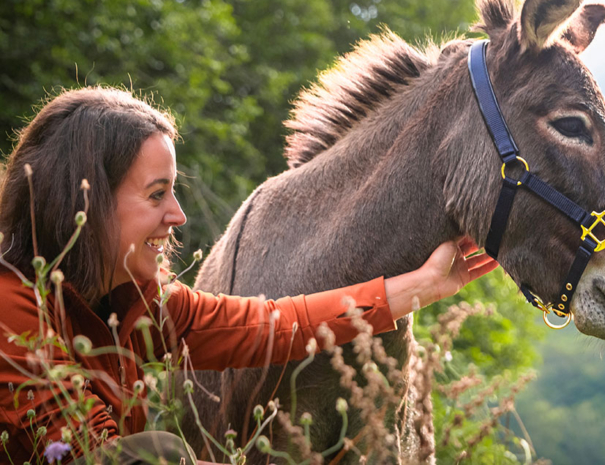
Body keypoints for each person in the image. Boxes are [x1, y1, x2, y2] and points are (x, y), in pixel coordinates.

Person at [0, 87, 498, 464]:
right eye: (156, 194)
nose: (178, 215)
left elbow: (273, 325)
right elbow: (86, 452)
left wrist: (419, 288)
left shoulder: (135, 302)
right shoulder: (9, 312)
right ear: (84, 202)